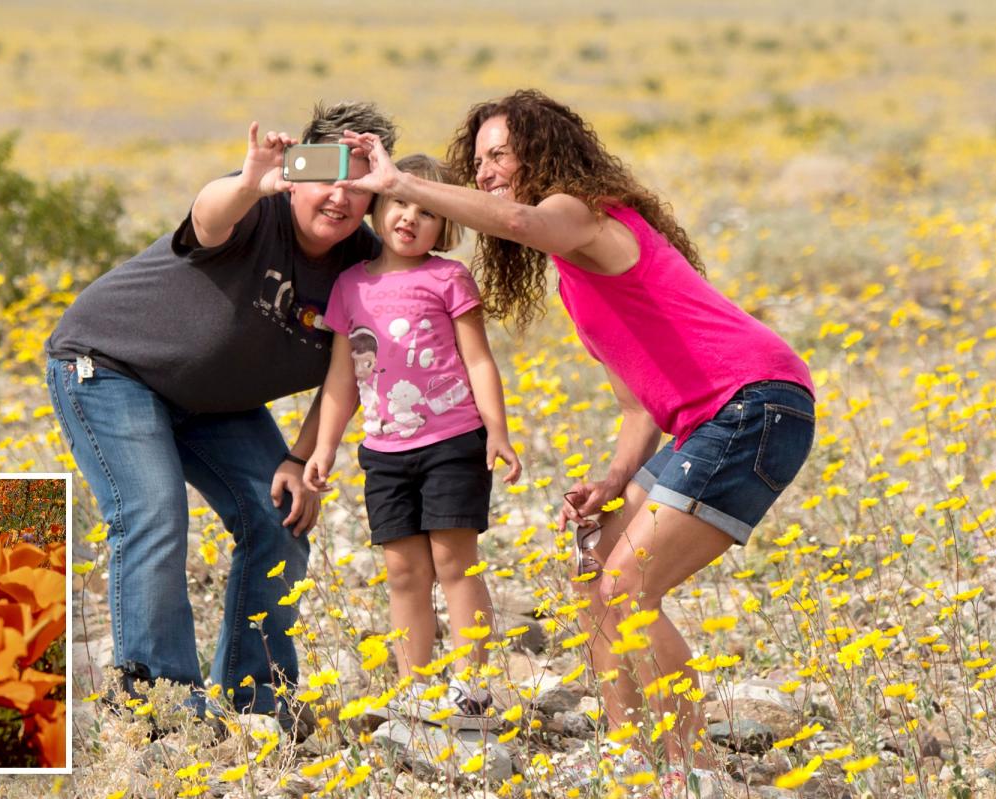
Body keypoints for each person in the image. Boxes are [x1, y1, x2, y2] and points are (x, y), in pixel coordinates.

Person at [340, 91, 815, 796]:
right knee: (593, 572)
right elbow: (636, 405)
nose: (489, 171)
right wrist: (616, 477)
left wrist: (398, 182)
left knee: (630, 586)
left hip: (755, 404)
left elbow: (517, 218)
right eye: (480, 162)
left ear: (543, 151)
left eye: (500, 153)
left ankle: (693, 772)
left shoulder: (580, 214)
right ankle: (629, 751)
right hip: (716, 419)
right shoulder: (574, 275)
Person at [45, 101, 397, 727]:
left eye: (359, 182)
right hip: (110, 368)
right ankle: (163, 708)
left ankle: (256, 697)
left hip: (213, 403)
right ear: (296, 169)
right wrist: (247, 180)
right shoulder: (254, 208)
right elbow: (207, 218)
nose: (340, 196)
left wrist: (300, 457)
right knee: (153, 513)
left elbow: (348, 371)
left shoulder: (366, 266)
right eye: (326, 173)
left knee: (280, 518)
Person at [302, 154, 522, 727]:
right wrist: (323, 447)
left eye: (428, 211)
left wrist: (496, 431)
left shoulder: (449, 277)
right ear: (378, 204)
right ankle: (414, 689)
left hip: (453, 442)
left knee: (456, 564)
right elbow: (342, 377)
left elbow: (478, 360)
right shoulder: (350, 286)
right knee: (403, 573)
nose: (410, 218)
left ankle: (472, 690)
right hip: (384, 454)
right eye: (400, 202)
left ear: (445, 225)